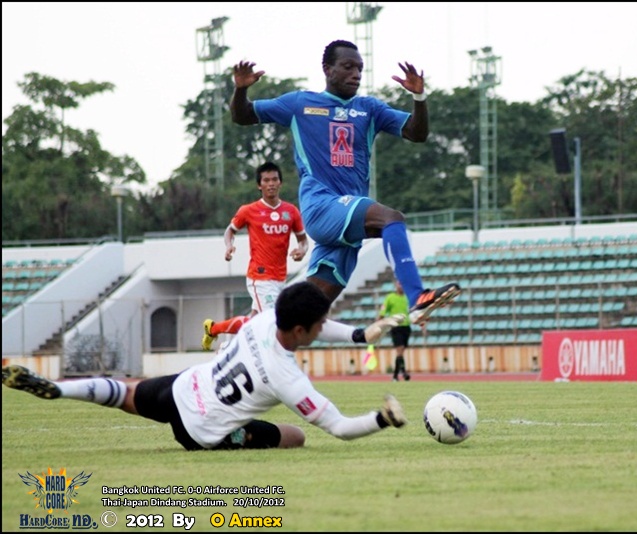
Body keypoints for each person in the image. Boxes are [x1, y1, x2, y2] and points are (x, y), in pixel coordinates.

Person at [2, 282, 407, 451]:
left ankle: (59, 388)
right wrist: (383, 418)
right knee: (296, 436)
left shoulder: (266, 317)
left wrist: (360, 334)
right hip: (203, 433)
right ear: (300, 330)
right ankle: (238, 435)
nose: (323, 328)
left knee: (124, 392)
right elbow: (340, 428)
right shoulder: (288, 379)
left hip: (182, 388)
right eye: (318, 326)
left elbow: (315, 320)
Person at [229, 39, 460, 326]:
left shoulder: (369, 109)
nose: (356, 74)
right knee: (392, 219)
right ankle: (417, 297)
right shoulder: (300, 104)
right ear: (327, 69)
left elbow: (417, 133)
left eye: (360, 68)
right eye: (348, 67)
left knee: (302, 318)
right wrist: (241, 89)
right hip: (321, 207)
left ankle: (246, 334)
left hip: (346, 221)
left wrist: (420, 98)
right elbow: (242, 115)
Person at [202, 162, 308, 351]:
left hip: (280, 277)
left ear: (280, 182)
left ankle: (214, 330)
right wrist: (229, 246)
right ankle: (234, 351)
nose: (271, 184)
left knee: (253, 322)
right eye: (266, 180)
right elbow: (230, 231)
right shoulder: (248, 211)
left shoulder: (291, 212)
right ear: (259, 185)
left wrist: (302, 250)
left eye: (274, 179)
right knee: (272, 323)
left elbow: (303, 240)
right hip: (259, 277)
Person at [379, 279, 413, 382]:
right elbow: (382, 312)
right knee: (400, 349)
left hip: (406, 326)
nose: (401, 286)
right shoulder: (390, 298)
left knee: (401, 352)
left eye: (402, 284)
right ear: (396, 285)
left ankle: (396, 375)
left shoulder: (407, 298)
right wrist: (379, 325)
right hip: (396, 327)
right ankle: (402, 373)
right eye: (399, 284)